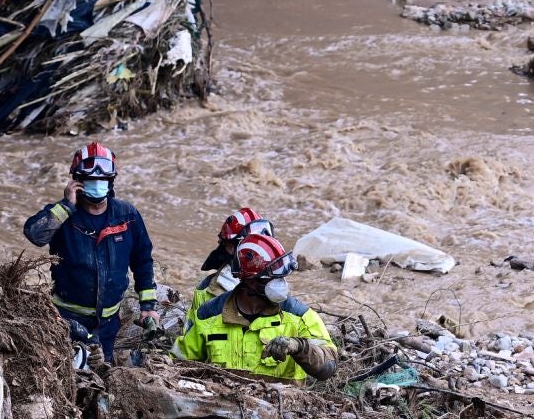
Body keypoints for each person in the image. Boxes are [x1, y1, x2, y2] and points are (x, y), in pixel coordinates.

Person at [23, 142, 157, 359]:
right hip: (66, 321)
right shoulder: (63, 215)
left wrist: (148, 306)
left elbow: (142, 261)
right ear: (77, 182)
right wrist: (66, 205)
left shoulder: (127, 215)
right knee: (72, 371)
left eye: (102, 180)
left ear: (110, 181)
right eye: (90, 180)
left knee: (103, 370)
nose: (97, 185)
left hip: (108, 325)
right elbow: (34, 234)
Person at [175, 233, 337, 383]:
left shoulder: (300, 317)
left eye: (281, 277)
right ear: (250, 281)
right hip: (220, 401)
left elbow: (329, 367)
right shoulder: (208, 315)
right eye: (273, 278)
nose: (281, 285)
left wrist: (299, 347)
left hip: (281, 403)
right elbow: (178, 365)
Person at [189, 211, 278, 321]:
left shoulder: (261, 277)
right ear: (230, 247)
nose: (262, 252)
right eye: (252, 245)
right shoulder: (219, 290)